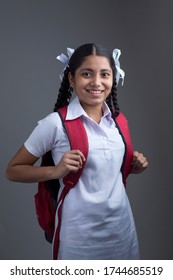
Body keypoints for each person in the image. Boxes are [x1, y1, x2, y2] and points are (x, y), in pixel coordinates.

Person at [6, 43, 148, 260]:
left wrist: (133, 164)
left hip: (122, 231)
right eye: (87, 74)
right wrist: (55, 171)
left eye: (105, 74)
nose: (96, 82)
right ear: (72, 79)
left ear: (114, 77)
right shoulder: (55, 123)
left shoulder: (119, 121)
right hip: (79, 237)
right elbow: (13, 170)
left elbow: (108, 170)